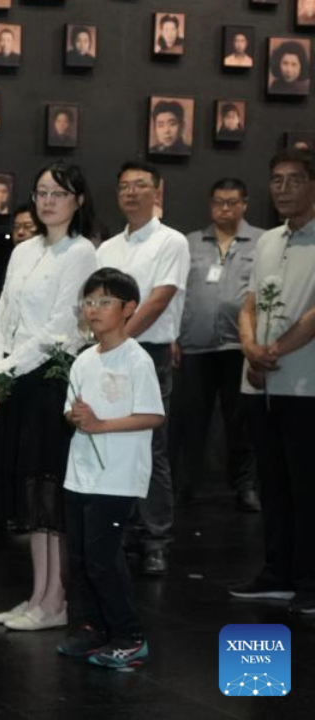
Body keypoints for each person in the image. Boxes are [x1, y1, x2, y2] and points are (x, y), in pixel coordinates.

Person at [0, 163, 99, 632]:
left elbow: (59, 330)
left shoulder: (81, 252)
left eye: (59, 193)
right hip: (16, 379)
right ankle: (36, 596)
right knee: (31, 496)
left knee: (50, 497)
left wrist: (3, 372)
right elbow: (2, 313)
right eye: (42, 192)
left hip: (50, 381)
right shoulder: (24, 249)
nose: (48, 201)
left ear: (78, 201)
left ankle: (56, 601)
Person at [57, 267, 165, 669]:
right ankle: (93, 629)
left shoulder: (137, 359)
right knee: (81, 559)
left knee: (103, 560)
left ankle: (129, 637)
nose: (93, 309)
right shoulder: (84, 360)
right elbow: (69, 412)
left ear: (128, 308)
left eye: (104, 301)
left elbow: (153, 415)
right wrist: (76, 417)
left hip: (117, 477)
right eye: (88, 302)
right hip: (80, 474)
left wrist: (101, 425)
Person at [229, 148, 315, 615]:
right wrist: (249, 347)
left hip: (305, 384)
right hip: (260, 383)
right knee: (273, 484)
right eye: (277, 180)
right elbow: (248, 303)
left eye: (294, 180)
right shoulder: (267, 241)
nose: (283, 189)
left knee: (307, 486)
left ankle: (309, 579)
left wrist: (273, 350)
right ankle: (277, 572)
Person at [96, 161, 190, 576]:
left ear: (158, 191)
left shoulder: (172, 241)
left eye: (140, 185)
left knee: (151, 447)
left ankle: (156, 538)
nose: (131, 193)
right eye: (124, 186)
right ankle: (127, 529)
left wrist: (117, 339)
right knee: (116, 444)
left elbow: (159, 300)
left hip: (148, 353)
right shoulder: (107, 248)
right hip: (108, 353)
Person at [173, 178, 262, 511]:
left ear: (244, 204)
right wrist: (174, 336)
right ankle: (186, 484)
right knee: (191, 420)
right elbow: (177, 292)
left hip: (241, 346)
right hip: (196, 345)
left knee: (241, 422)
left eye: (232, 202)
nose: (224, 208)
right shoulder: (190, 242)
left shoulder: (262, 242)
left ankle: (245, 487)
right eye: (218, 202)